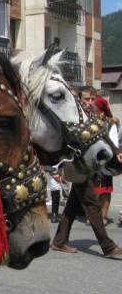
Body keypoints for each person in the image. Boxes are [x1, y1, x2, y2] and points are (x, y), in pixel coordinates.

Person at [51, 86, 122, 259]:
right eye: (86, 99)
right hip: (76, 168)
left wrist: (116, 151)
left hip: (88, 168)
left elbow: (102, 137)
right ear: (79, 100)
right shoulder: (70, 118)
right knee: (92, 206)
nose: (90, 103)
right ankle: (107, 246)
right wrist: (58, 169)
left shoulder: (92, 118)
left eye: (92, 99)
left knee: (71, 208)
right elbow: (60, 145)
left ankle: (59, 241)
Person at [93, 95, 118, 225]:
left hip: (105, 160)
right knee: (94, 190)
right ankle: (94, 215)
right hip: (93, 160)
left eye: (95, 106)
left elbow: (113, 142)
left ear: (100, 108)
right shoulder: (91, 121)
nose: (93, 108)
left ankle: (103, 216)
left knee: (105, 190)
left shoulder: (110, 123)